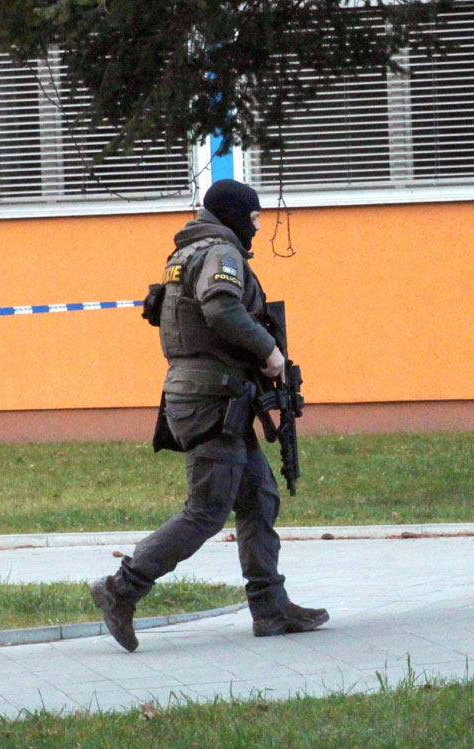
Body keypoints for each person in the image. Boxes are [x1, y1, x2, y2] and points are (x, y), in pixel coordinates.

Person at [89, 179, 328, 651]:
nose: (257, 227)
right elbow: (220, 308)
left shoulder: (188, 252)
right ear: (235, 215)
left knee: (258, 498)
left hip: (214, 395)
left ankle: (271, 608)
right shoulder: (220, 253)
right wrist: (269, 351)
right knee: (207, 511)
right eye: (254, 218)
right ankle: (122, 588)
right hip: (212, 399)